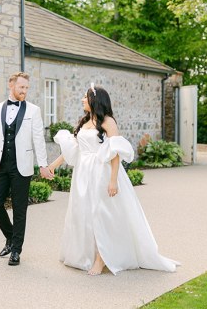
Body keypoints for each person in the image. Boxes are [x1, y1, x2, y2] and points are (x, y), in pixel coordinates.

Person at [49, 83, 179, 275]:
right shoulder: (84, 121)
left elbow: (115, 153)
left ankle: (101, 259)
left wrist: (113, 180)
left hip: (101, 171)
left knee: (102, 214)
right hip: (83, 174)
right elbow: (74, 149)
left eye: (85, 97)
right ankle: (85, 254)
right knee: (83, 214)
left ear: (95, 100)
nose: (82, 100)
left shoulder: (108, 122)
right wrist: (52, 166)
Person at [0, 72, 53, 266]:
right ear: (11, 85)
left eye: (26, 88)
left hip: (21, 165)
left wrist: (43, 164)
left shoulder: (33, 110)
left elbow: (38, 138)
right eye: (21, 87)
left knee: (20, 209)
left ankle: (16, 250)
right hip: (0, 164)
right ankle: (10, 236)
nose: (24, 91)